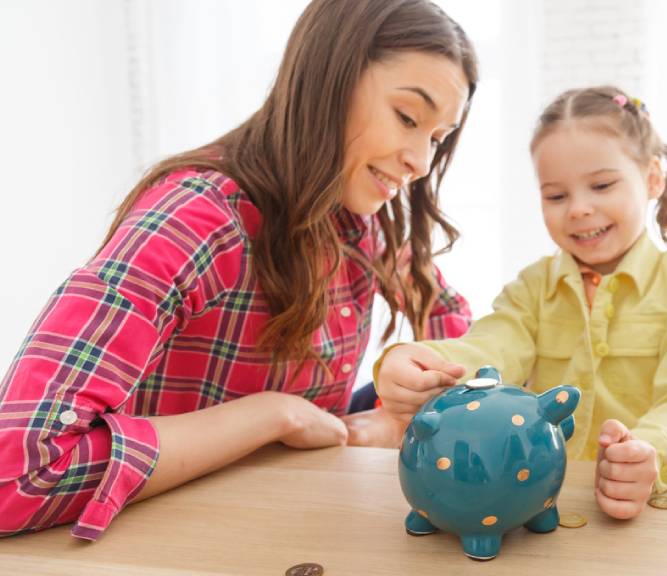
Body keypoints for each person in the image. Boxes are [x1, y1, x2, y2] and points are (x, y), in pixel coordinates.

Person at [0, 0, 477, 540]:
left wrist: (399, 411)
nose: (420, 160)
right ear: (329, 79)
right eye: (409, 118)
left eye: (437, 138)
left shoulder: (356, 218)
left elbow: (456, 330)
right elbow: (18, 474)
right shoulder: (196, 217)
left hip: (292, 535)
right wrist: (270, 417)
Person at [375, 86, 667, 520]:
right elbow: (489, 346)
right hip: (541, 503)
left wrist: (648, 452)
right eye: (556, 196)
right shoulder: (532, 288)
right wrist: (421, 361)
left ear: (653, 178)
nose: (579, 209)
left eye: (601, 185)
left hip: (655, 509)